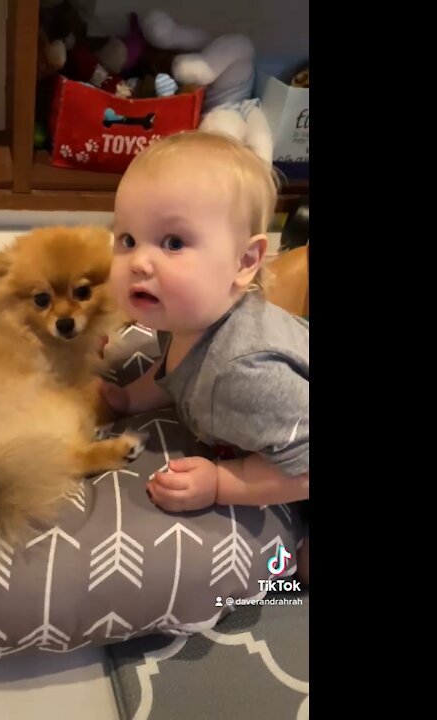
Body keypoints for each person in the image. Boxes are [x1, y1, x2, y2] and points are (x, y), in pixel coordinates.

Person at [101, 131, 310, 583]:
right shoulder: (182, 317)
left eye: (173, 243)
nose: (139, 261)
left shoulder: (244, 374)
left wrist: (222, 483)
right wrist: (128, 399)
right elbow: (171, 368)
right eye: (128, 238)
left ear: (243, 262)